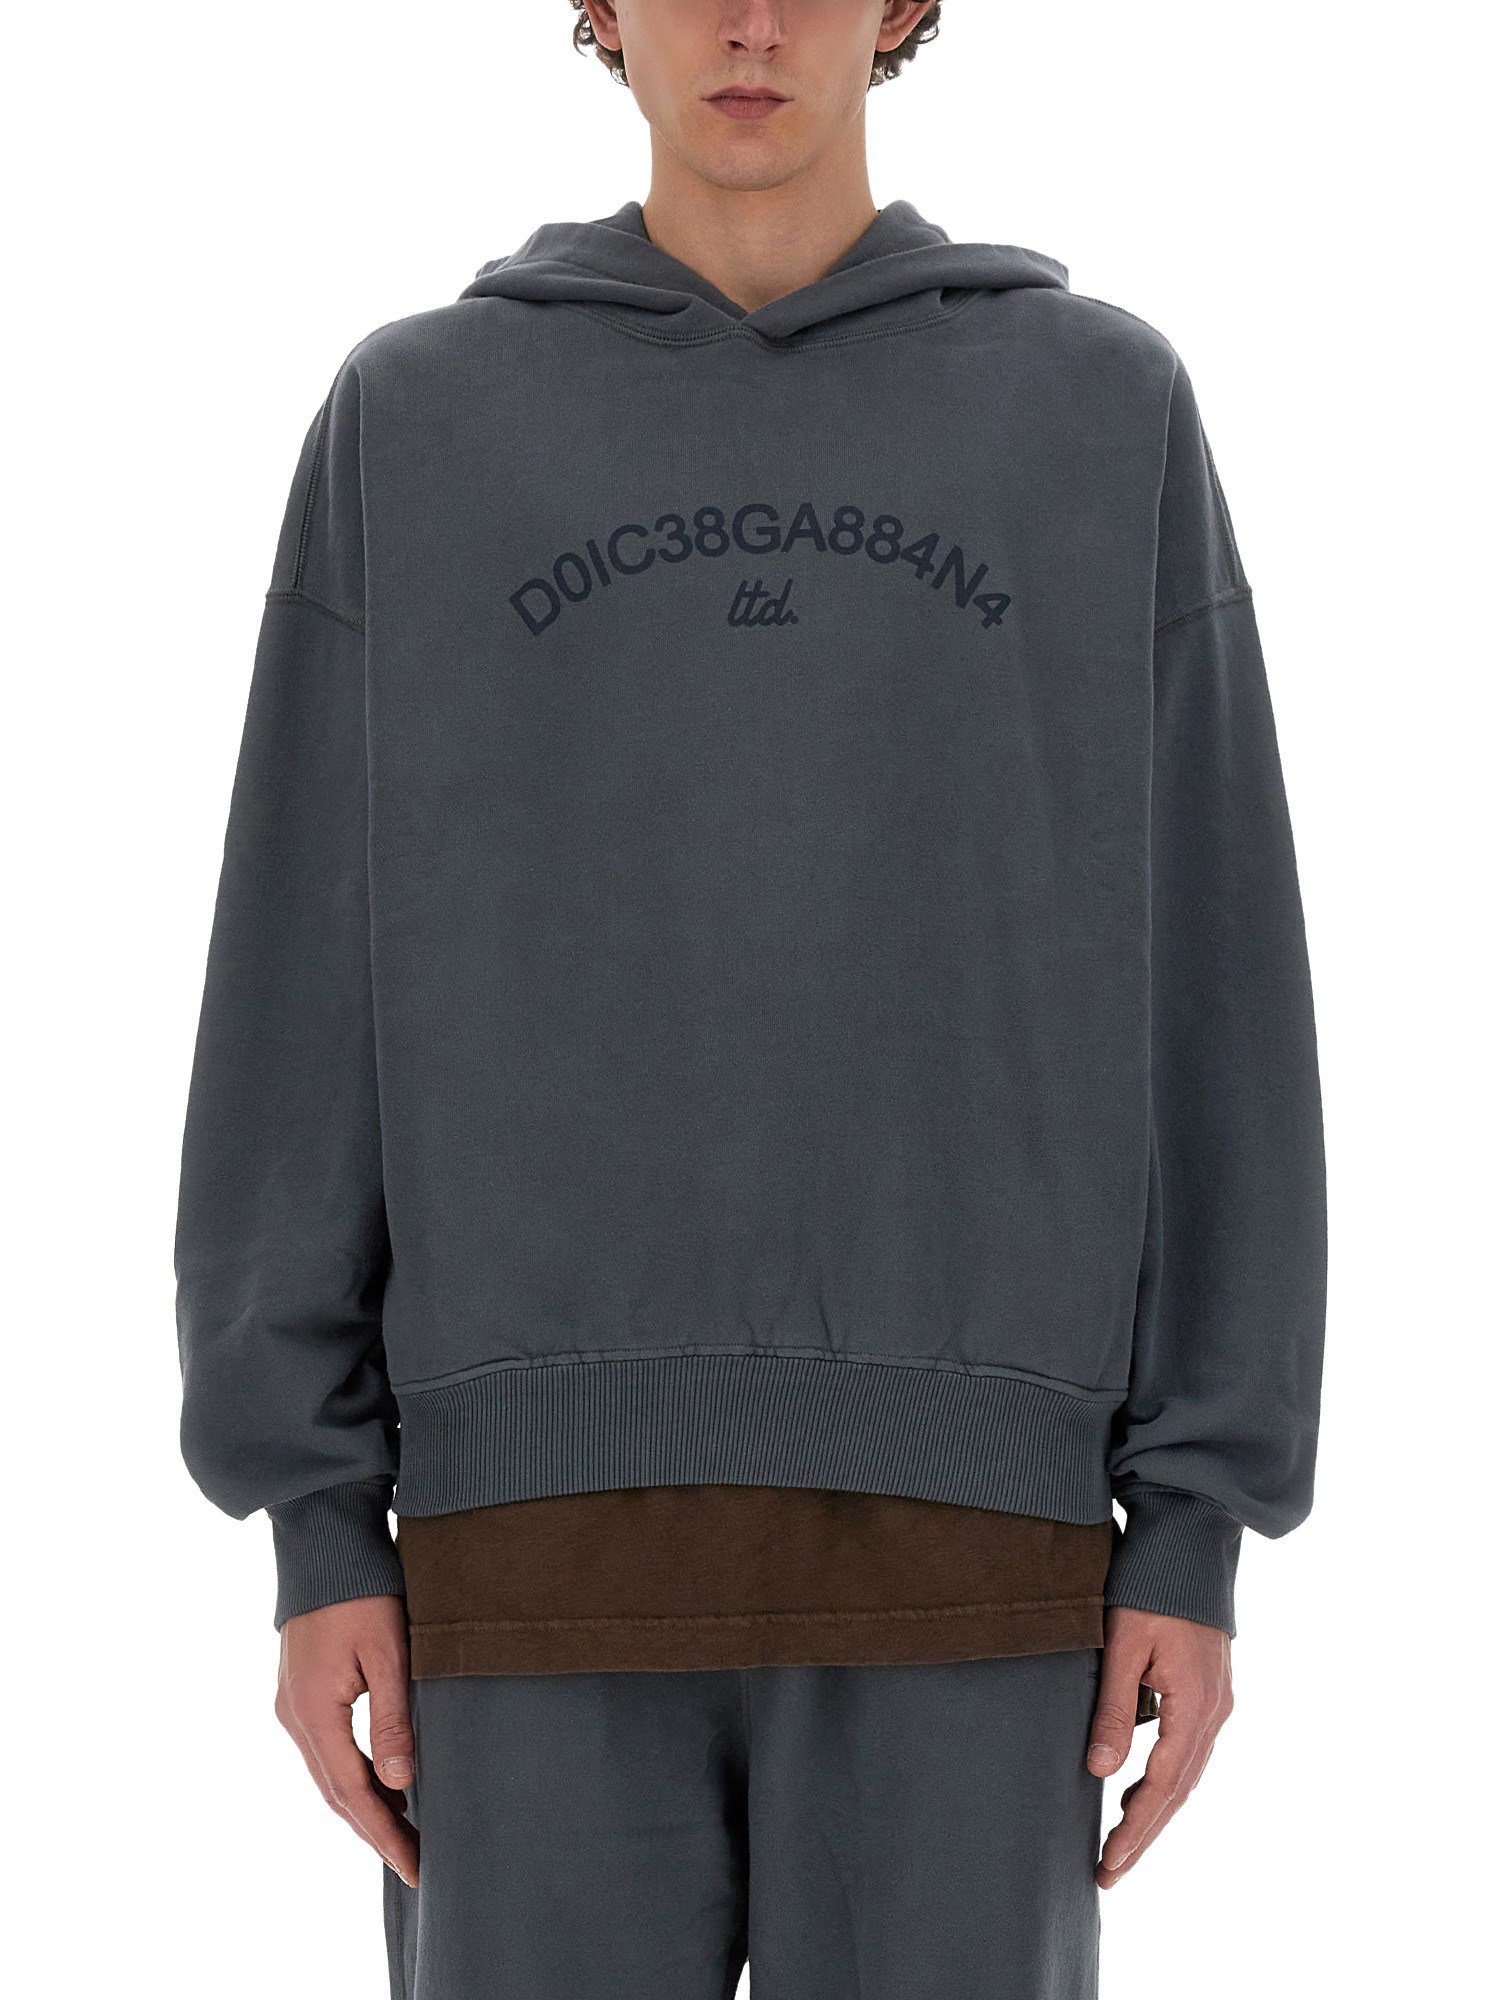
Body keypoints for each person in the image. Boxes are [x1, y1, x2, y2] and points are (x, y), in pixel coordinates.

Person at [173, 4, 1327, 1994]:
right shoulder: (419, 421)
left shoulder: (1096, 411)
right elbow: (300, 978)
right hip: (518, 1578)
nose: (753, 20)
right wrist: (319, 1522)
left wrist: (1199, 1517)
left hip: (983, 1575)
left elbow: (1214, 978)